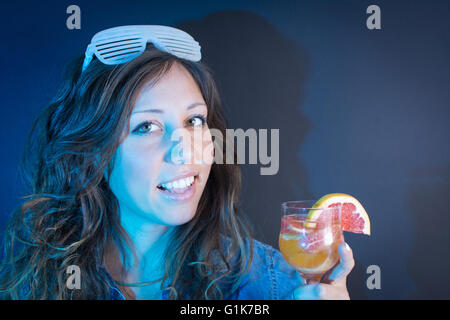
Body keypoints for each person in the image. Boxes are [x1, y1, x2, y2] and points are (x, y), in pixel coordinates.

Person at [0, 25, 354, 300]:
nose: (185, 151)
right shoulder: (34, 278)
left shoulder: (271, 283)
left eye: (194, 121)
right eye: (146, 126)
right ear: (93, 151)